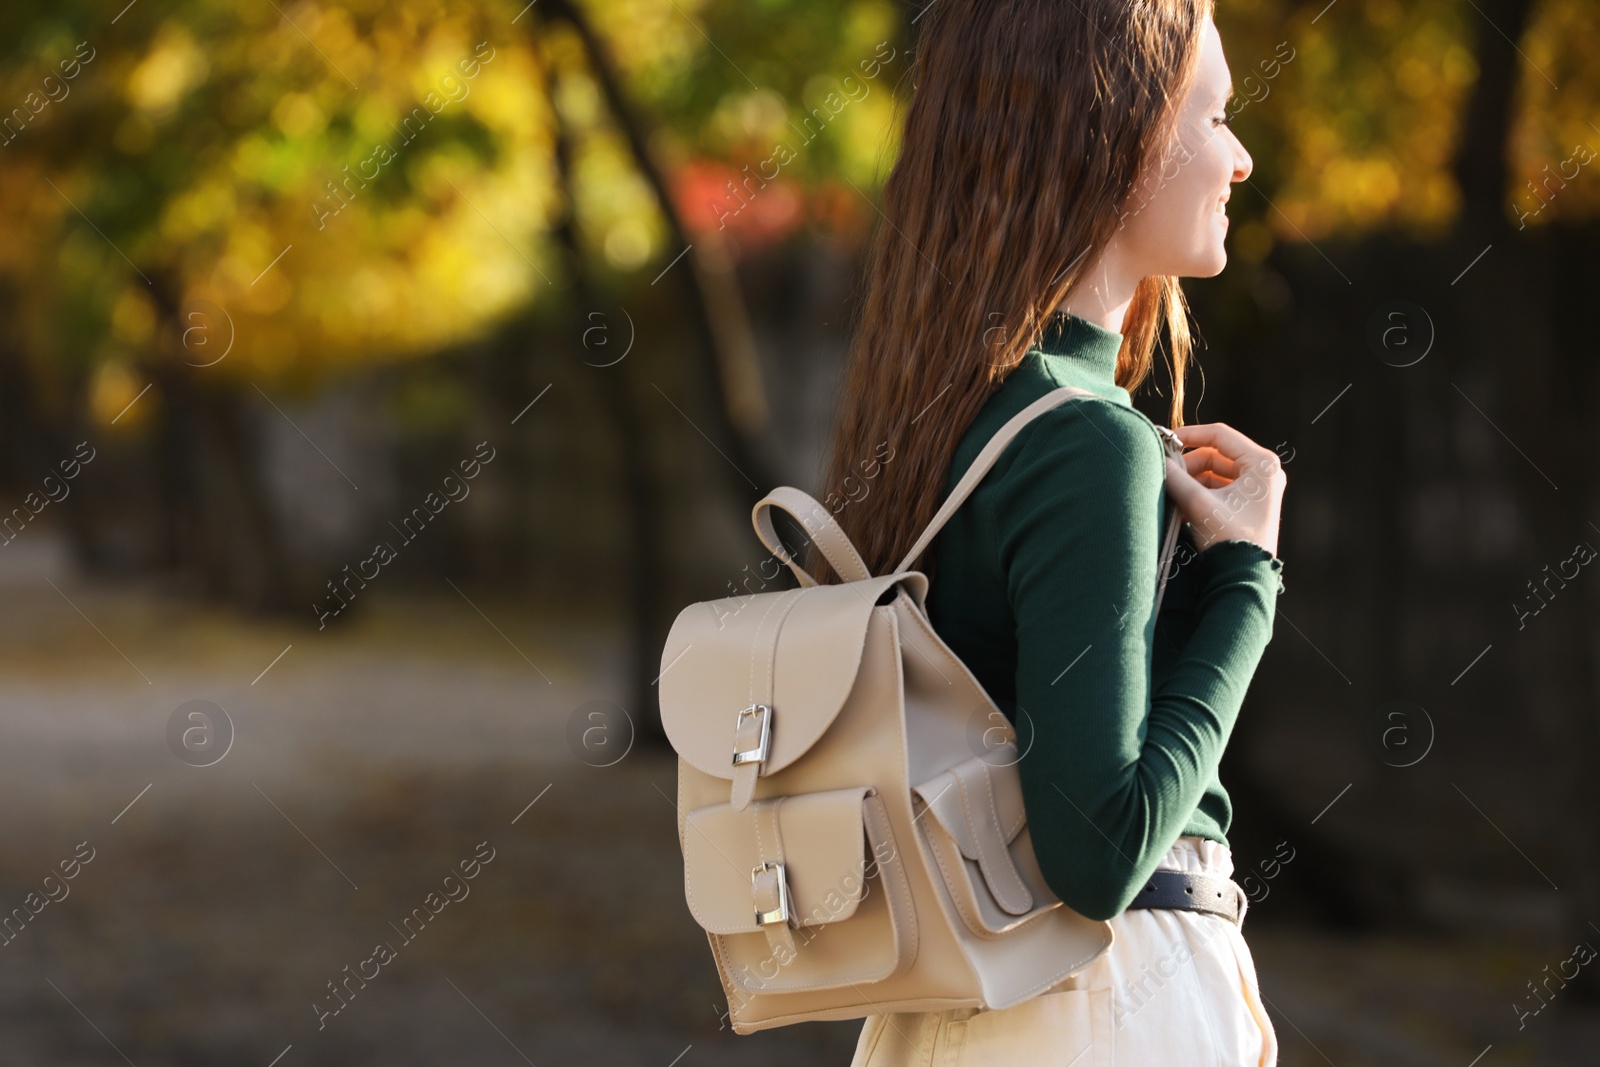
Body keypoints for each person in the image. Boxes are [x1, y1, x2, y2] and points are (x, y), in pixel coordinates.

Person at [808, 1, 1288, 1063]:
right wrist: (1246, 575)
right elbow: (1097, 845)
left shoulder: (944, 409)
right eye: (1216, 118)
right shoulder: (1084, 439)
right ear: (1114, 140)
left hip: (953, 1004)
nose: (1242, 159)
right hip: (1100, 997)